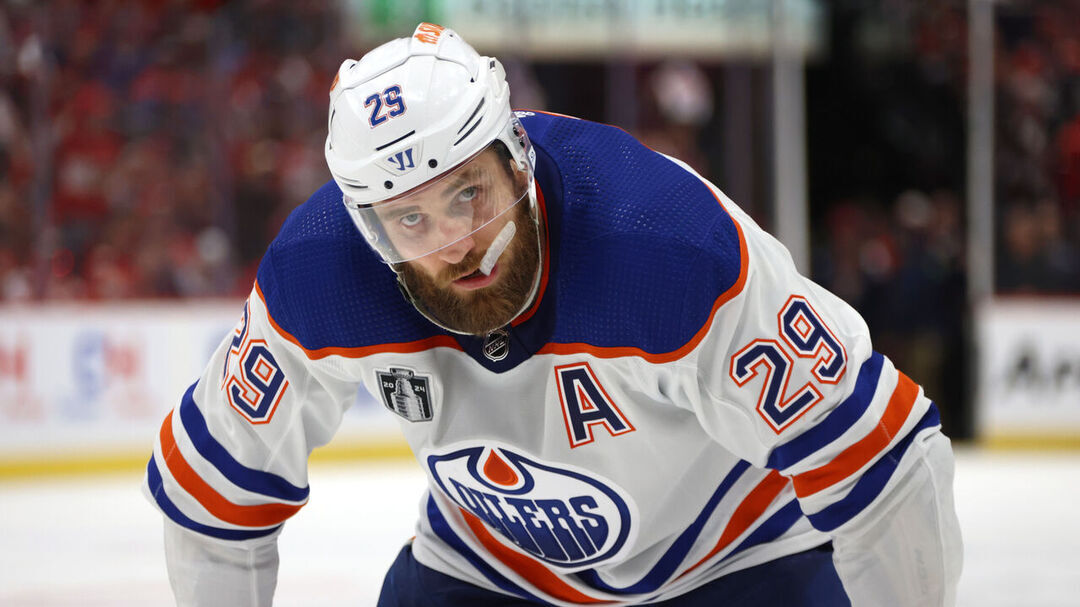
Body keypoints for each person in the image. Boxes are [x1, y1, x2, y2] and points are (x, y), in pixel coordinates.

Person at [144, 23, 963, 606]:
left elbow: (885, 460)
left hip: (738, 560)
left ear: (517, 157)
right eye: (411, 219)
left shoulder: (666, 246)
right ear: (367, 227)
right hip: (489, 568)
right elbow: (214, 494)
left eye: (469, 192)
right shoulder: (320, 275)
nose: (456, 244)